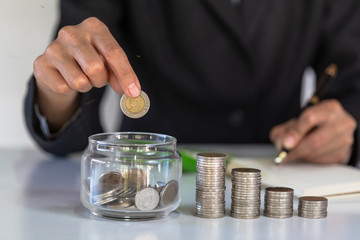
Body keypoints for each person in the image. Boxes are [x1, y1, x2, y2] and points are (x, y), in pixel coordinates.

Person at [24, 0, 360, 167]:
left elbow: (353, 78)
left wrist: (347, 130)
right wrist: (58, 89)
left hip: (281, 170)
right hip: (151, 171)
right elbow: (74, 69)